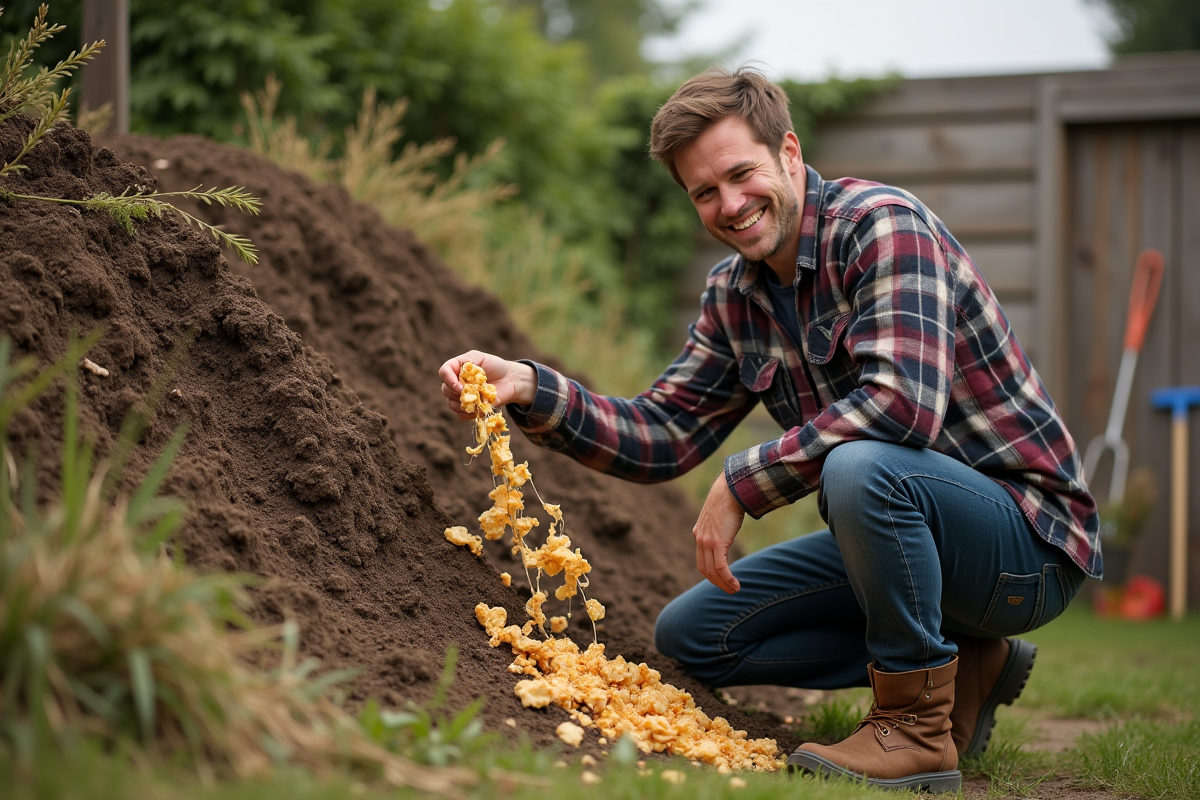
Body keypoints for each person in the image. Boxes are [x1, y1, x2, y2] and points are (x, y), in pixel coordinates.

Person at [438, 66, 1099, 792]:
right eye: (704, 193)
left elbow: (902, 406)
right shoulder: (734, 294)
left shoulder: (881, 225)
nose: (730, 204)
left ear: (788, 152)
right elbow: (664, 433)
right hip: (909, 543)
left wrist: (741, 482)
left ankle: (913, 728)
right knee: (695, 636)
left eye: (741, 173)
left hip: (1025, 547)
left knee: (861, 465)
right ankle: (969, 661)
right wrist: (534, 387)